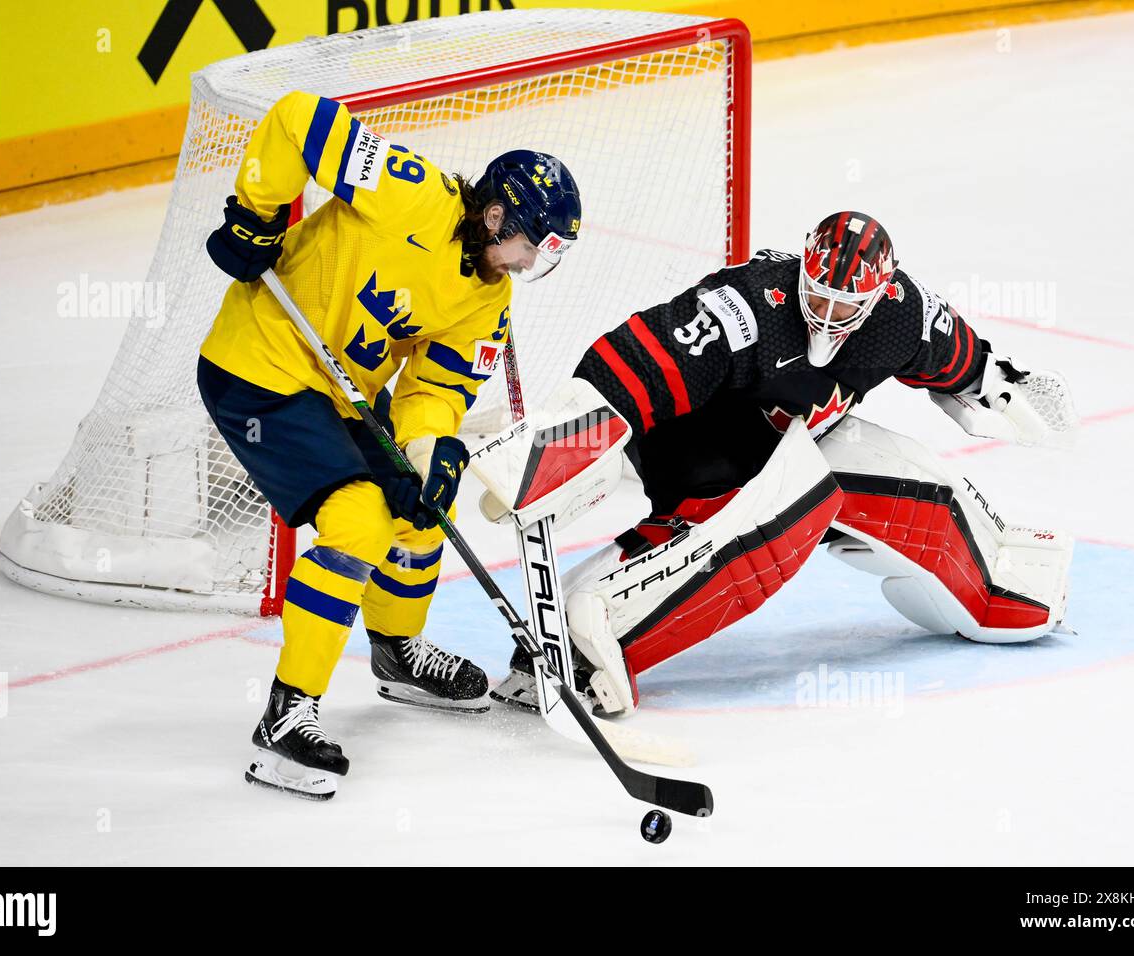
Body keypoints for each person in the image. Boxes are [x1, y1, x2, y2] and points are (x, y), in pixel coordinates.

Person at [487, 211, 1076, 716]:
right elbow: (641, 360)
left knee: (916, 489)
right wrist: (552, 449)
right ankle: (576, 637)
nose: (825, 312)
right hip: (691, 434)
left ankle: (996, 578)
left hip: (787, 436)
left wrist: (1004, 387)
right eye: (816, 293)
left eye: (845, 304)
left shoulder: (903, 316)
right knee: (787, 512)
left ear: (877, 298)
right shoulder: (749, 306)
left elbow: (961, 359)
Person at [196, 90, 581, 798]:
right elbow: (300, 120)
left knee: (427, 508)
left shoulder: (489, 298)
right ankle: (285, 717)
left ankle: (397, 651)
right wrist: (256, 216)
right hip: (257, 369)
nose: (528, 264)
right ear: (496, 214)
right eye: (529, 246)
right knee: (360, 520)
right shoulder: (411, 194)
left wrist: (430, 453)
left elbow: (432, 392)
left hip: (339, 395)